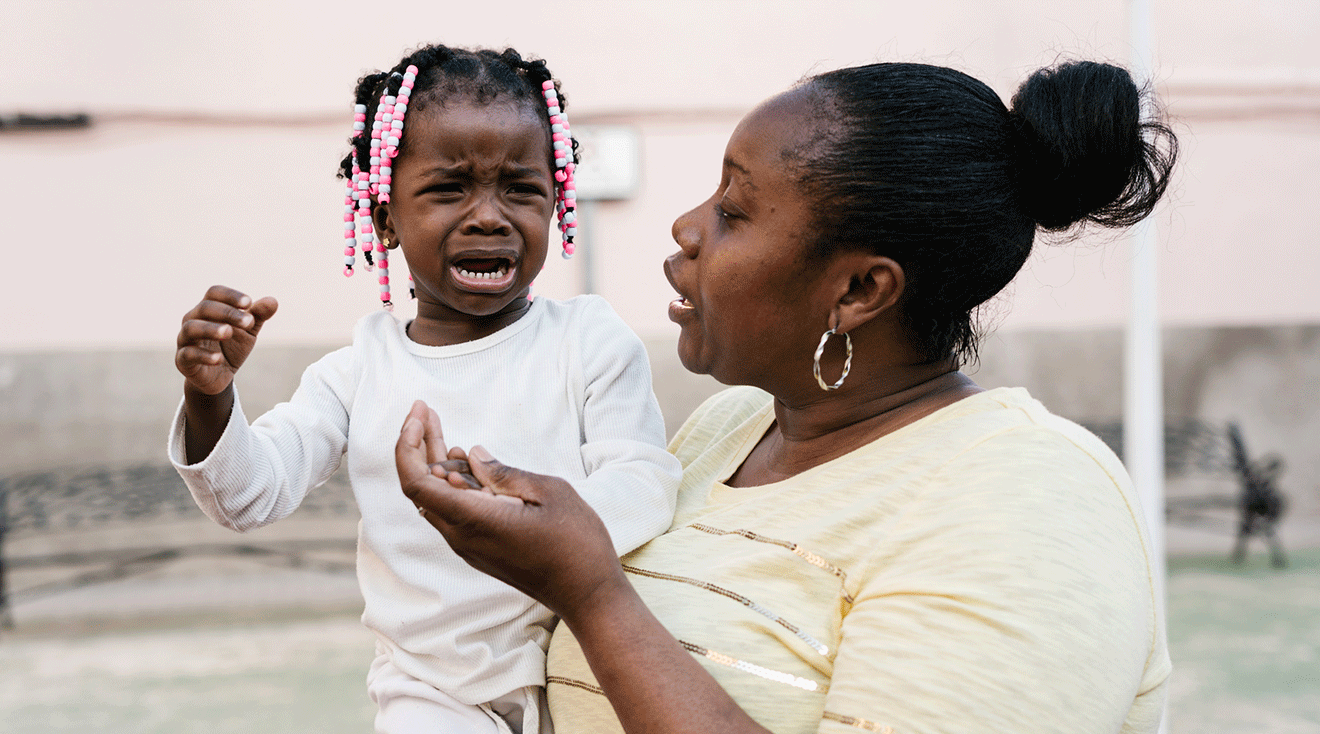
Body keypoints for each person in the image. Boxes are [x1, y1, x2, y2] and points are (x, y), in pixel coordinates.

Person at [398, 59, 1179, 734]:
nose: (686, 226)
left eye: (733, 211)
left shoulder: (1028, 501)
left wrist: (591, 592)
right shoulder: (729, 430)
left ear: (859, 291)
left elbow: (603, 607)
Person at [168, 44, 680, 734]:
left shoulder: (589, 341)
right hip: (432, 693)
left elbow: (644, 479)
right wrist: (211, 398)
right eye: (450, 188)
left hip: (586, 661)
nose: (490, 216)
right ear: (385, 219)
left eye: (520, 188)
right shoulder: (357, 373)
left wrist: (539, 523)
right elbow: (248, 496)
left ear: (556, 201)